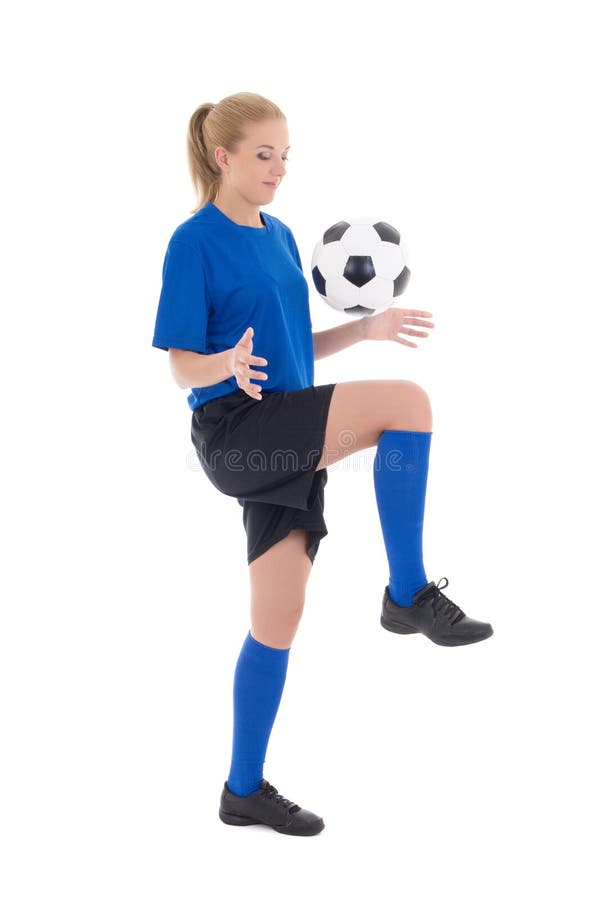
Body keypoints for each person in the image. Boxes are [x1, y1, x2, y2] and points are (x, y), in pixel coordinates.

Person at [151, 91, 493, 838]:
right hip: (237, 426)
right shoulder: (193, 240)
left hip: (286, 429)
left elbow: (295, 347)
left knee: (278, 619)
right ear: (223, 157)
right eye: (264, 154)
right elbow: (180, 362)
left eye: (286, 155)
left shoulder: (279, 236)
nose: (278, 168)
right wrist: (223, 365)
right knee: (408, 404)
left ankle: (242, 791)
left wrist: (364, 327)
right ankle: (407, 592)